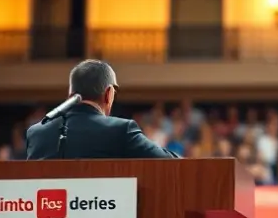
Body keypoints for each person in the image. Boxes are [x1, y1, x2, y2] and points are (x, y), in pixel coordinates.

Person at [25, 60, 177, 160]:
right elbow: (171, 163)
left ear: (70, 94)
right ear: (108, 94)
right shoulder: (120, 130)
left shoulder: (36, 133)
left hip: (50, 206)